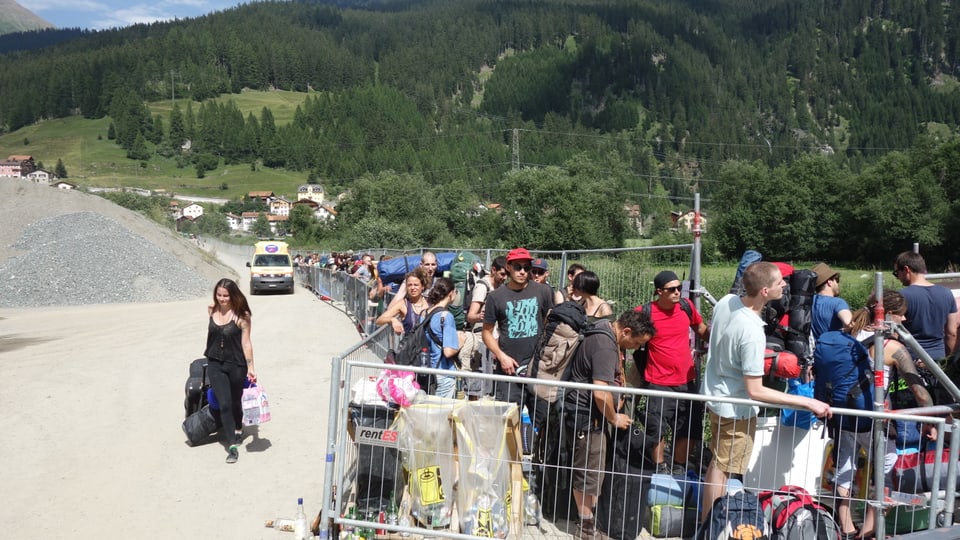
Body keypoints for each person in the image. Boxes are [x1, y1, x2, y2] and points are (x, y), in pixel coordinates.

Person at [700, 262, 832, 522]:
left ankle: (708, 523)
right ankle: (711, 526)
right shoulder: (752, 331)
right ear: (763, 291)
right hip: (735, 408)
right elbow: (755, 390)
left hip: (716, 396)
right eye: (779, 282)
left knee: (717, 462)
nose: (784, 285)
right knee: (723, 469)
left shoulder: (726, 302)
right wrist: (807, 403)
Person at [829, 290, 938, 540]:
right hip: (874, 419)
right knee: (887, 472)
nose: (904, 320)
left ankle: (846, 529)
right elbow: (920, 392)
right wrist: (930, 418)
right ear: (888, 315)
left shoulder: (848, 334)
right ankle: (868, 532)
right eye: (901, 315)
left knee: (844, 468)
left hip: (843, 415)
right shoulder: (892, 347)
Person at [564, 310, 656, 539]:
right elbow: (600, 392)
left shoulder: (606, 330)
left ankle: (589, 521)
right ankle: (585, 528)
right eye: (636, 342)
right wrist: (614, 417)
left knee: (592, 470)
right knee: (588, 472)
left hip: (593, 416)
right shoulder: (605, 346)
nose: (636, 348)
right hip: (589, 417)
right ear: (626, 331)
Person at [636, 270, 709, 476]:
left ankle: (678, 467)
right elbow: (626, 328)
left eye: (679, 288)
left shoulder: (686, 307)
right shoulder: (646, 312)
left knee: (689, 427)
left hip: (687, 380)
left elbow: (700, 327)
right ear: (659, 291)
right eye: (672, 289)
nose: (677, 292)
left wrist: (719, 342)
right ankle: (659, 468)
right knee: (656, 428)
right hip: (658, 381)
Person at [481, 247, 555, 408]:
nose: (522, 271)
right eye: (518, 267)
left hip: (538, 367)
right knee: (508, 419)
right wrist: (501, 356)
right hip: (509, 369)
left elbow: (548, 323)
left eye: (527, 268)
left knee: (543, 420)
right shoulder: (496, 296)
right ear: (508, 267)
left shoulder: (543, 291)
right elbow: (486, 333)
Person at [204, 278, 257, 464]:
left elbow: (246, 343)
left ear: (233, 295)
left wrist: (250, 367)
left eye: (225, 295)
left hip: (236, 364)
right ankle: (232, 446)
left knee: (235, 401)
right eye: (219, 295)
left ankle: (238, 428)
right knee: (225, 403)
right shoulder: (211, 310)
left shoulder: (242, 316)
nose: (221, 299)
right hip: (215, 363)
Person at [893, 251, 958, 362]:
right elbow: (951, 332)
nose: (898, 277)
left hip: (911, 359)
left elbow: (893, 332)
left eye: (896, 272)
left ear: (907, 269)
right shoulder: (947, 293)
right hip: (939, 356)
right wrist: (947, 359)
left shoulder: (902, 296)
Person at [463, 256, 507, 398]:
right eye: (502, 274)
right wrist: (485, 315)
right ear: (493, 270)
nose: (505, 278)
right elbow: (471, 316)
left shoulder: (501, 287)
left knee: (489, 383)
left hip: (495, 339)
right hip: (482, 338)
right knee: (479, 382)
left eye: (507, 274)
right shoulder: (483, 286)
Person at [421, 277, 463, 398]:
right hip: (444, 372)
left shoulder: (424, 314)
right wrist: (460, 342)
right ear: (451, 294)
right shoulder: (446, 316)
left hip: (428, 370)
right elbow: (448, 351)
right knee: (442, 413)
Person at [375, 269, 429, 335]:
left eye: (416, 285)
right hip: (411, 344)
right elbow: (379, 320)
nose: (412, 288)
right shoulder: (403, 304)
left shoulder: (430, 303)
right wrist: (392, 320)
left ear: (422, 286)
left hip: (429, 344)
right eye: (409, 285)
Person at [810, 262, 852, 340]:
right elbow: (848, 323)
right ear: (829, 282)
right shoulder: (838, 303)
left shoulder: (809, 301)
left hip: (815, 350)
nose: (838, 284)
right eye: (837, 280)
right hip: (834, 350)